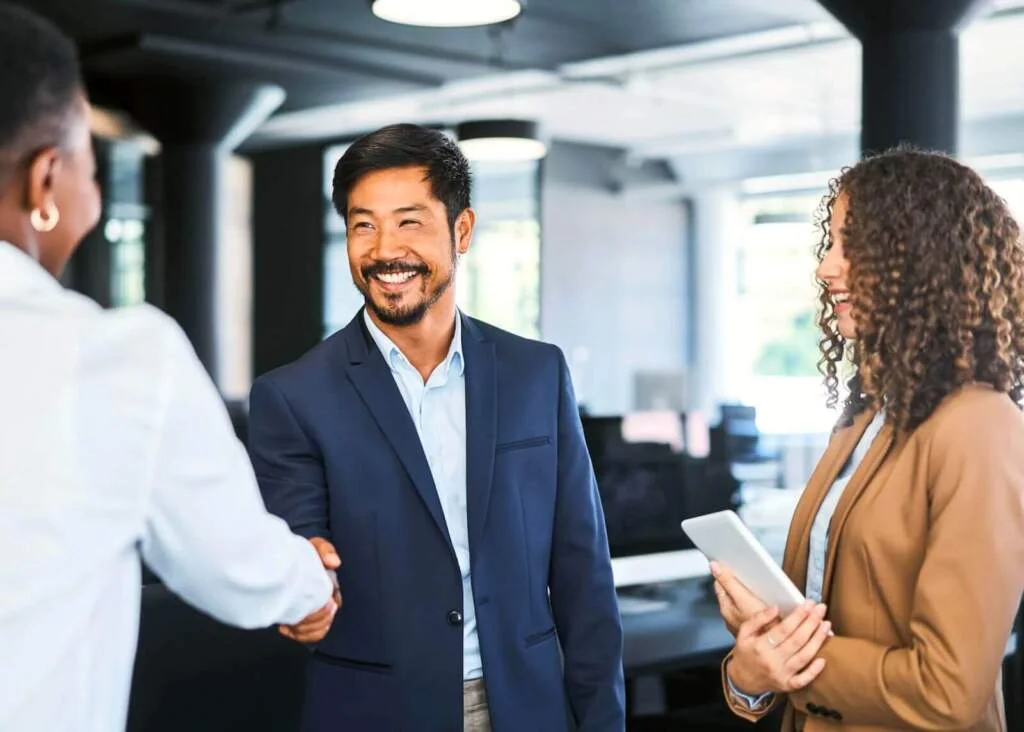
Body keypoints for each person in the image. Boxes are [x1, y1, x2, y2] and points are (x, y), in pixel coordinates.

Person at [0, 5, 340, 730]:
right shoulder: (112, 361)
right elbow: (239, 569)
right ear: (45, 181)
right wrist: (311, 582)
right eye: (90, 161)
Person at [248, 123, 625, 732]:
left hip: (526, 709)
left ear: (463, 230)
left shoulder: (536, 374)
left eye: (409, 221)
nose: (384, 250)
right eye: (362, 224)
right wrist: (301, 590)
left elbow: (583, 574)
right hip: (375, 715)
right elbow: (299, 558)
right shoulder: (292, 398)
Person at [711, 148, 1024, 731]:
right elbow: (814, 616)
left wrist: (788, 653)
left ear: (921, 259)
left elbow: (948, 690)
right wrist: (749, 676)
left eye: (849, 244)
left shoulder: (982, 425)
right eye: (829, 243)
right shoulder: (866, 417)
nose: (827, 267)